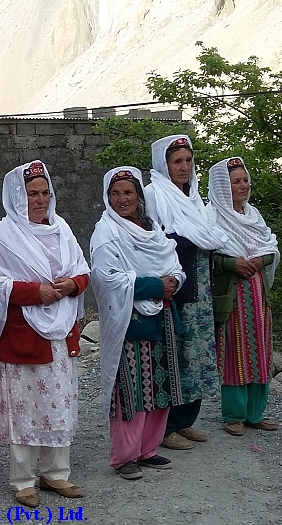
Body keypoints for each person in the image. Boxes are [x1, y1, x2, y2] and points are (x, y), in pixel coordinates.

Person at [0, 161, 89, 508]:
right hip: (24, 334)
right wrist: (34, 292)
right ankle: (23, 479)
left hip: (59, 332)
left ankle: (56, 473)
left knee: (59, 403)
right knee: (24, 408)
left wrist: (73, 284)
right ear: (17, 197)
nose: (39, 200)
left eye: (44, 193)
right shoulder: (3, 236)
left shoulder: (62, 229)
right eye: (31, 194)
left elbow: (82, 269)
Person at [91, 166, 187, 480]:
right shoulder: (107, 234)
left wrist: (173, 281)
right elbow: (108, 280)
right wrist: (157, 286)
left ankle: (148, 449)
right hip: (129, 322)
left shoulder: (153, 229)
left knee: (160, 384)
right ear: (107, 198)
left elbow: (174, 266)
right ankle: (124, 457)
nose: (122, 199)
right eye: (115, 194)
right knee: (130, 391)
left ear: (139, 196)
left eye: (128, 192)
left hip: (162, 318)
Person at [145, 134, 227, 450]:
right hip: (176, 288)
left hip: (201, 288)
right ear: (163, 164)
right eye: (177, 160)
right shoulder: (155, 194)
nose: (184, 166)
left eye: (188, 160)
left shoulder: (193, 198)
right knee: (174, 354)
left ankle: (186, 420)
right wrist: (194, 239)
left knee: (197, 356)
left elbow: (208, 233)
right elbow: (157, 240)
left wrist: (200, 238)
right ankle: (166, 428)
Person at [207, 157, 280, 436]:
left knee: (260, 350)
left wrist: (262, 259)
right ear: (223, 186)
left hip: (258, 294)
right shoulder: (211, 217)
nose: (243, 185)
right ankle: (234, 414)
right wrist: (232, 264)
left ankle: (255, 413)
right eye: (235, 181)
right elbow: (207, 257)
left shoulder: (254, 216)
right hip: (233, 296)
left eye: (245, 180)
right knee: (235, 352)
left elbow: (270, 245)